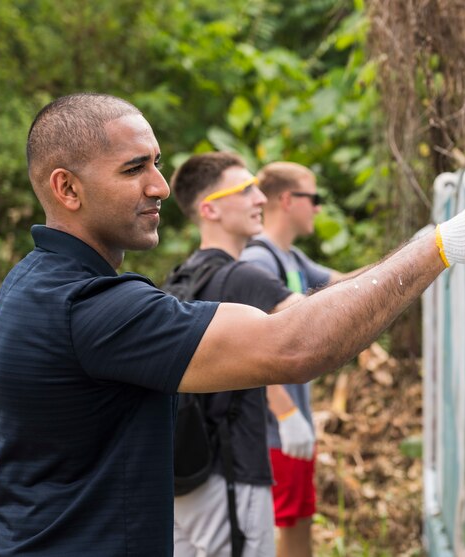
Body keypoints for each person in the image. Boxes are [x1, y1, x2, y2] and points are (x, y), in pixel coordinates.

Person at [0, 92, 465, 557]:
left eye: (157, 163)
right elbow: (294, 345)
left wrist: (432, 246)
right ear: (66, 188)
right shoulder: (89, 306)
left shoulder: (33, 283)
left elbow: (311, 308)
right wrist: (442, 245)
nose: (161, 187)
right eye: (134, 169)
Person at [166, 151, 312, 556]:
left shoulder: (180, 277)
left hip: (180, 474)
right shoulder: (244, 277)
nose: (261, 198)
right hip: (232, 475)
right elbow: (319, 327)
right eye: (245, 189)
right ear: (210, 209)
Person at [240, 161, 346, 557]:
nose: (318, 207)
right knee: (282, 528)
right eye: (313, 198)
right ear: (287, 200)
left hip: (291, 426)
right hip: (273, 430)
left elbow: (347, 286)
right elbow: (249, 349)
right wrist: (285, 416)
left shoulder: (291, 258)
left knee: (299, 520)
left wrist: (423, 251)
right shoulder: (258, 263)